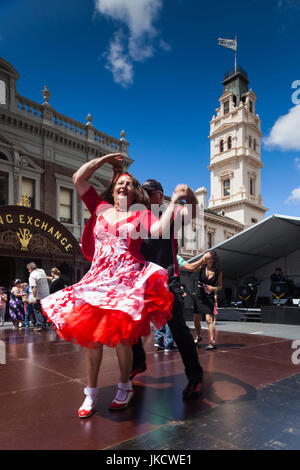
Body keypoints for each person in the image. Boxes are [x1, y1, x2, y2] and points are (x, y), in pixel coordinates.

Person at [41, 153, 178, 418]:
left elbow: (159, 228)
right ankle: (90, 393)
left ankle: (125, 386)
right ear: (113, 191)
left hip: (125, 280)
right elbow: (79, 178)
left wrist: (173, 203)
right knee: (92, 339)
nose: (123, 187)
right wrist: (105, 159)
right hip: (98, 279)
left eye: (128, 184)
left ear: (134, 191)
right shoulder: (100, 208)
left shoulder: (141, 215)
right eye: (119, 184)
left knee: (122, 340)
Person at [130, 179, 204, 399]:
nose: (142, 195)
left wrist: (187, 194)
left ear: (159, 196)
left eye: (147, 192)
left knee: (179, 330)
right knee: (129, 320)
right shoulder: (138, 216)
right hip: (142, 279)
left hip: (166, 279)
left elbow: (192, 212)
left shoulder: (170, 212)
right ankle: (138, 361)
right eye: (141, 192)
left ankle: (195, 376)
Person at [179, 251, 222, 350]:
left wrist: (213, 288)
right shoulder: (201, 268)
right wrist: (201, 260)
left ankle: (212, 341)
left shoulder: (218, 271)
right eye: (206, 258)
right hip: (198, 296)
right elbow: (191, 267)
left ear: (213, 259)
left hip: (209, 297)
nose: (207, 260)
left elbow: (220, 286)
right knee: (196, 319)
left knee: (209, 319)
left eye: (209, 258)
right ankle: (198, 337)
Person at [27, 262, 50, 332]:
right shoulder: (42, 271)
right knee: (43, 310)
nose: (28, 271)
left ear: (30, 269)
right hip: (46, 295)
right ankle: (44, 324)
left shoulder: (32, 275)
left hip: (39, 296)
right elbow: (44, 277)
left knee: (37, 310)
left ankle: (40, 325)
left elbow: (34, 287)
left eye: (28, 269)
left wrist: (34, 297)